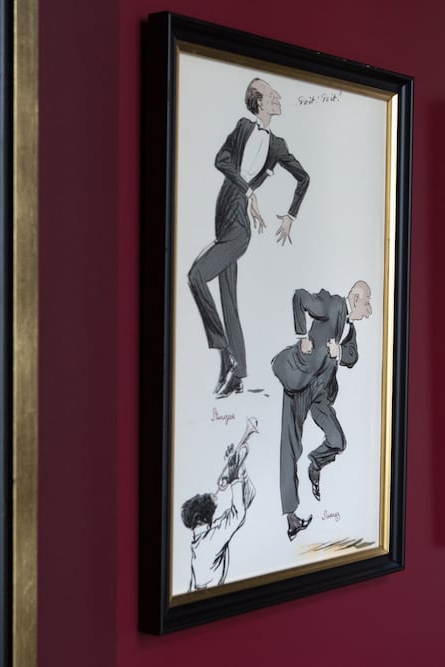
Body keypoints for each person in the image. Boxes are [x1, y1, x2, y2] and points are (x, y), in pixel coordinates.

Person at [188, 78, 311, 398]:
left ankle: (224, 351)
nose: (277, 96)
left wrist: (291, 215)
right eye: (270, 94)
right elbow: (221, 160)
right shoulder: (243, 127)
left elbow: (304, 178)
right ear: (258, 103)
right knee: (228, 300)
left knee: (196, 275)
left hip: (240, 225)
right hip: (224, 212)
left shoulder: (278, 145)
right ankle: (237, 373)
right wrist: (248, 191)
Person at [270, 281, 372, 540]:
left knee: (338, 440)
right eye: (366, 303)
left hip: (321, 394)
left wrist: (340, 352)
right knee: (290, 447)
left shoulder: (350, 328)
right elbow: (300, 297)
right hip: (300, 383)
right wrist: (301, 336)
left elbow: (352, 355)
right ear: (355, 298)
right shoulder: (332, 304)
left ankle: (315, 464)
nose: (369, 310)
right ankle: (291, 518)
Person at [181, 419, 258, 591]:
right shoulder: (208, 542)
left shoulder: (206, 535)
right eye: (201, 501)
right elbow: (238, 514)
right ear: (199, 518)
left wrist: (238, 465)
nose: (205, 497)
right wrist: (234, 474)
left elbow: (249, 497)